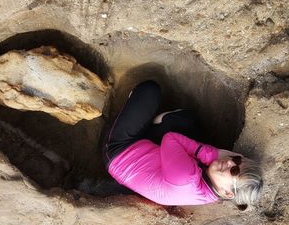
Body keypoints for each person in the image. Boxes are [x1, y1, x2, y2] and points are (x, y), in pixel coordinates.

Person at [103, 80, 263, 208]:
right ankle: (149, 123)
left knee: (149, 90)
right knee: (185, 121)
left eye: (234, 170)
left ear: (228, 193)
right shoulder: (212, 194)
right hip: (152, 154)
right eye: (237, 161)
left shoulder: (186, 178)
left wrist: (214, 153)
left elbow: (170, 138)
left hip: (119, 151)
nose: (229, 161)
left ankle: (133, 114)